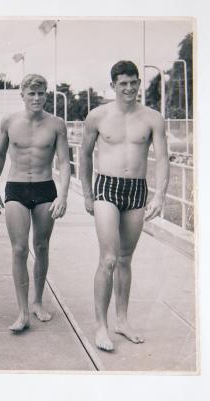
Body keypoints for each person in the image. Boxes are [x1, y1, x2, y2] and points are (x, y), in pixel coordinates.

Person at [79, 60, 169, 352]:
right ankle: (101, 327)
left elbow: (164, 159)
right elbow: (84, 155)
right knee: (108, 259)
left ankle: (122, 321)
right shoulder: (98, 116)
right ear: (114, 85)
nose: (129, 88)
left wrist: (159, 196)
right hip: (107, 186)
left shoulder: (153, 117)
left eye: (133, 82)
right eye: (123, 84)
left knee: (125, 258)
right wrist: (87, 193)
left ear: (138, 83)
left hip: (137, 189)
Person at [0, 74, 71, 332]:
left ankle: (37, 301)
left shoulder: (57, 124)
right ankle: (22, 311)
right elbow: (0, 154)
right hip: (16, 187)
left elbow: (63, 162)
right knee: (19, 249)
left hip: (45, 187)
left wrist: (63, 195)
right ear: (23, 95)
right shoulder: (9, 122)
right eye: (31, 93)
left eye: (41, 93)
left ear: (46, 95)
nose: (36, 98)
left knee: (41, 245)